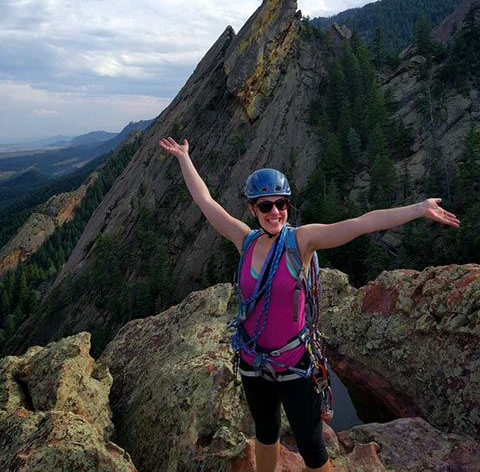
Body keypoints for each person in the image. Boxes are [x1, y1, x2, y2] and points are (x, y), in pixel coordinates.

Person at [158, 136, 460, 472]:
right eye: (265, 205)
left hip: (294, 363)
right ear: (252, 208)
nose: (275, 212)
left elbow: (362, 223)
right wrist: (185, 157)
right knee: (266, 432)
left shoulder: (301, 241)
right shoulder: (243, 239)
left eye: (281, 203)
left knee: (312, 445)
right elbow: (205, 201)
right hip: (253, 361)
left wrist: (418, 209)